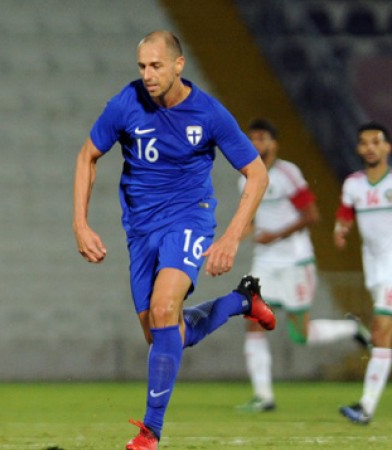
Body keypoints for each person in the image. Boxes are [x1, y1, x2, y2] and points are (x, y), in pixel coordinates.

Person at [73, 30, 275, 450]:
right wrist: (81, 223)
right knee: (164, 333)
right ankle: (241, 301)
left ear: (178, 65)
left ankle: (150, 432)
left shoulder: (209, 114)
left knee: (166, 308)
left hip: (189, 218)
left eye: (156, 66)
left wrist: (231, 238)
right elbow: (87, 155)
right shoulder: (126, 103)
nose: (147, 75)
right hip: (140, 230)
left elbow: (257, 173)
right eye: (142, 66)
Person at [237, 118, 372, 413]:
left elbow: (311, 215)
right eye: (252, 139)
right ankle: (263, 396)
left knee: (301, 335)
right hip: (264, 263)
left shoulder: (287, 174)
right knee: (253, 323)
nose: (257, 144)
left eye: (262, 138)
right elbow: (248, 222)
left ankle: (351, 328)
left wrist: (276, 235)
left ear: (274, 143)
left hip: (295, 261)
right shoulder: (244, 178)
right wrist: (230, 241)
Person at [335, 122, 392, 425]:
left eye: (376, 142)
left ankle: (365, 408)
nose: (370, 147)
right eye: (364, 142)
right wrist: (340, 230)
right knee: (385, 336)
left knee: (382, 330)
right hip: (373, 267)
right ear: (359, 148)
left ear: (387, 148)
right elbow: (346, 213)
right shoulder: (353, 184)